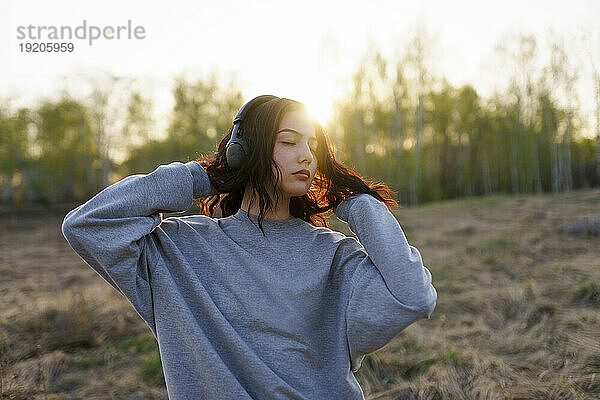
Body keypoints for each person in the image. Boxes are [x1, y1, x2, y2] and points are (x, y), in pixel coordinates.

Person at [61, 95, 437, 399]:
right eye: (288, 142)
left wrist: (356, 203)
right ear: (244, 150)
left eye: (313, 145)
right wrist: (203, 176)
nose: (307, 155)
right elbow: (88, 225)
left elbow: (413, 297)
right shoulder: (178, 251)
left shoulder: (335, 257)